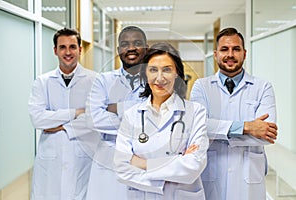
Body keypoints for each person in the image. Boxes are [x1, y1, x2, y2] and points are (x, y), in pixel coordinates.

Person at [190, 27, 278, 200]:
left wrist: (218, 130)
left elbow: (265, 135)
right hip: (212, 175)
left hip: (249, 177)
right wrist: (246, 127)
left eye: (236, 49)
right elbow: (199, 128)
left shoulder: (263, 87)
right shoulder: (202, 87)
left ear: (244, 54)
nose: (230, 54)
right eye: (224, 49)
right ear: (216, 54)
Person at [114, 42, 209, 199]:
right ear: (145, 74)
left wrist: (143, 164)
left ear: (177, 73)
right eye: (153, 70)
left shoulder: (196, 112)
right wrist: (176, 162)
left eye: (167, 69)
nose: (159, 78)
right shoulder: (131, 115)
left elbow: (193, 166)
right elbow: (121, 168)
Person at [28, 28, 97, 200]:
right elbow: (37, 118)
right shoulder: (42, 82)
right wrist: (76, 112)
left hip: (83, 158)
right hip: (51, 160)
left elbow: (94, 118)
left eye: (73, 47)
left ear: (80, 50)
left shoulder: (95, 80)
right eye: (63, 47)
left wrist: (59, 124)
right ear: (55, 50)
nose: (68, 52)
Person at [85, 26, 148, 200]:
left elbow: (156, 117)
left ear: (146, 48)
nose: (131, 48)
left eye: (137, 43)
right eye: (125, 44)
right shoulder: (103, 80)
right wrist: (137, 111)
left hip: (145, 157)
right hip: (109, 158)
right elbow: (92, 119)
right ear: (118, 50)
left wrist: (116, 108)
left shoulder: (156, 80)